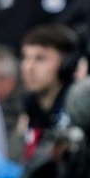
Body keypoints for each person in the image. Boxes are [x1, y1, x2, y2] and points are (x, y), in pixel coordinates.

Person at [17, 24, 77, 162]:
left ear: (66, 64)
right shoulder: (29, 106)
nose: (29, 68)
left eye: (40, 59)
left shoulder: (76, 109)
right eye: (25, 58)